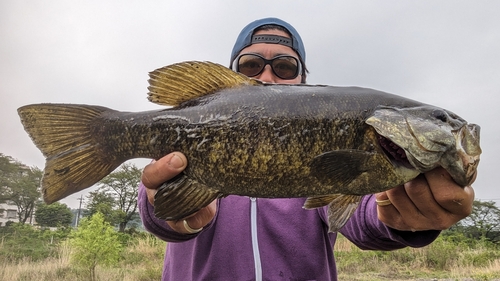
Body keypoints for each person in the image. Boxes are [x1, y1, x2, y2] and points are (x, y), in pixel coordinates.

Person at [138, 18, 474, 281]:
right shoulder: (188, 135)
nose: (267, 75)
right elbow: (158, 205)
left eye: (285, 67)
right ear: (229, 78)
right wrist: (176, 215)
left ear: (304, 82)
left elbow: (364, 216)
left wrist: (403, 217)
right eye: (251, 66)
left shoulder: (342, 142)